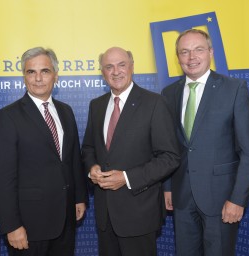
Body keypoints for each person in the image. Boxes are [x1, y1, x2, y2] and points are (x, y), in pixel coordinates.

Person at [162, 29, 249, 256]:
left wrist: (237, 199)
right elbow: (168, 147)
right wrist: (167, 187)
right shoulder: (169, 93)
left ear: (211, 53)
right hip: (182, 198)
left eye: (198, 50)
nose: (191, 57)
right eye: (184, 52)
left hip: (222, 199)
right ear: (178, 58)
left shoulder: (234, 89)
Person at [81, 46, 180, 256]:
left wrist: (126, 177)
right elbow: (89, 147)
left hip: (139, 213)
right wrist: (93, 168)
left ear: (132, 67)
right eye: (109, 67)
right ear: (102, 72)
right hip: (105, 215)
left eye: (121, 65)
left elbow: (170, 157)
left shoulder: (154, 103)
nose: (115, 71)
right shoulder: (96, 105)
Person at [0, 47, 87, 256]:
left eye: (45, 71)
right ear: (24, 77)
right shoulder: (8, 117)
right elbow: (2, 178)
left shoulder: (66, 111)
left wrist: (79, 197)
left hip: (65, 220)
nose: (38, 78)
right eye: (31, 72)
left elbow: (72, 160)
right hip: (28, 225)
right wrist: (11, 225)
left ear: (56, 75)